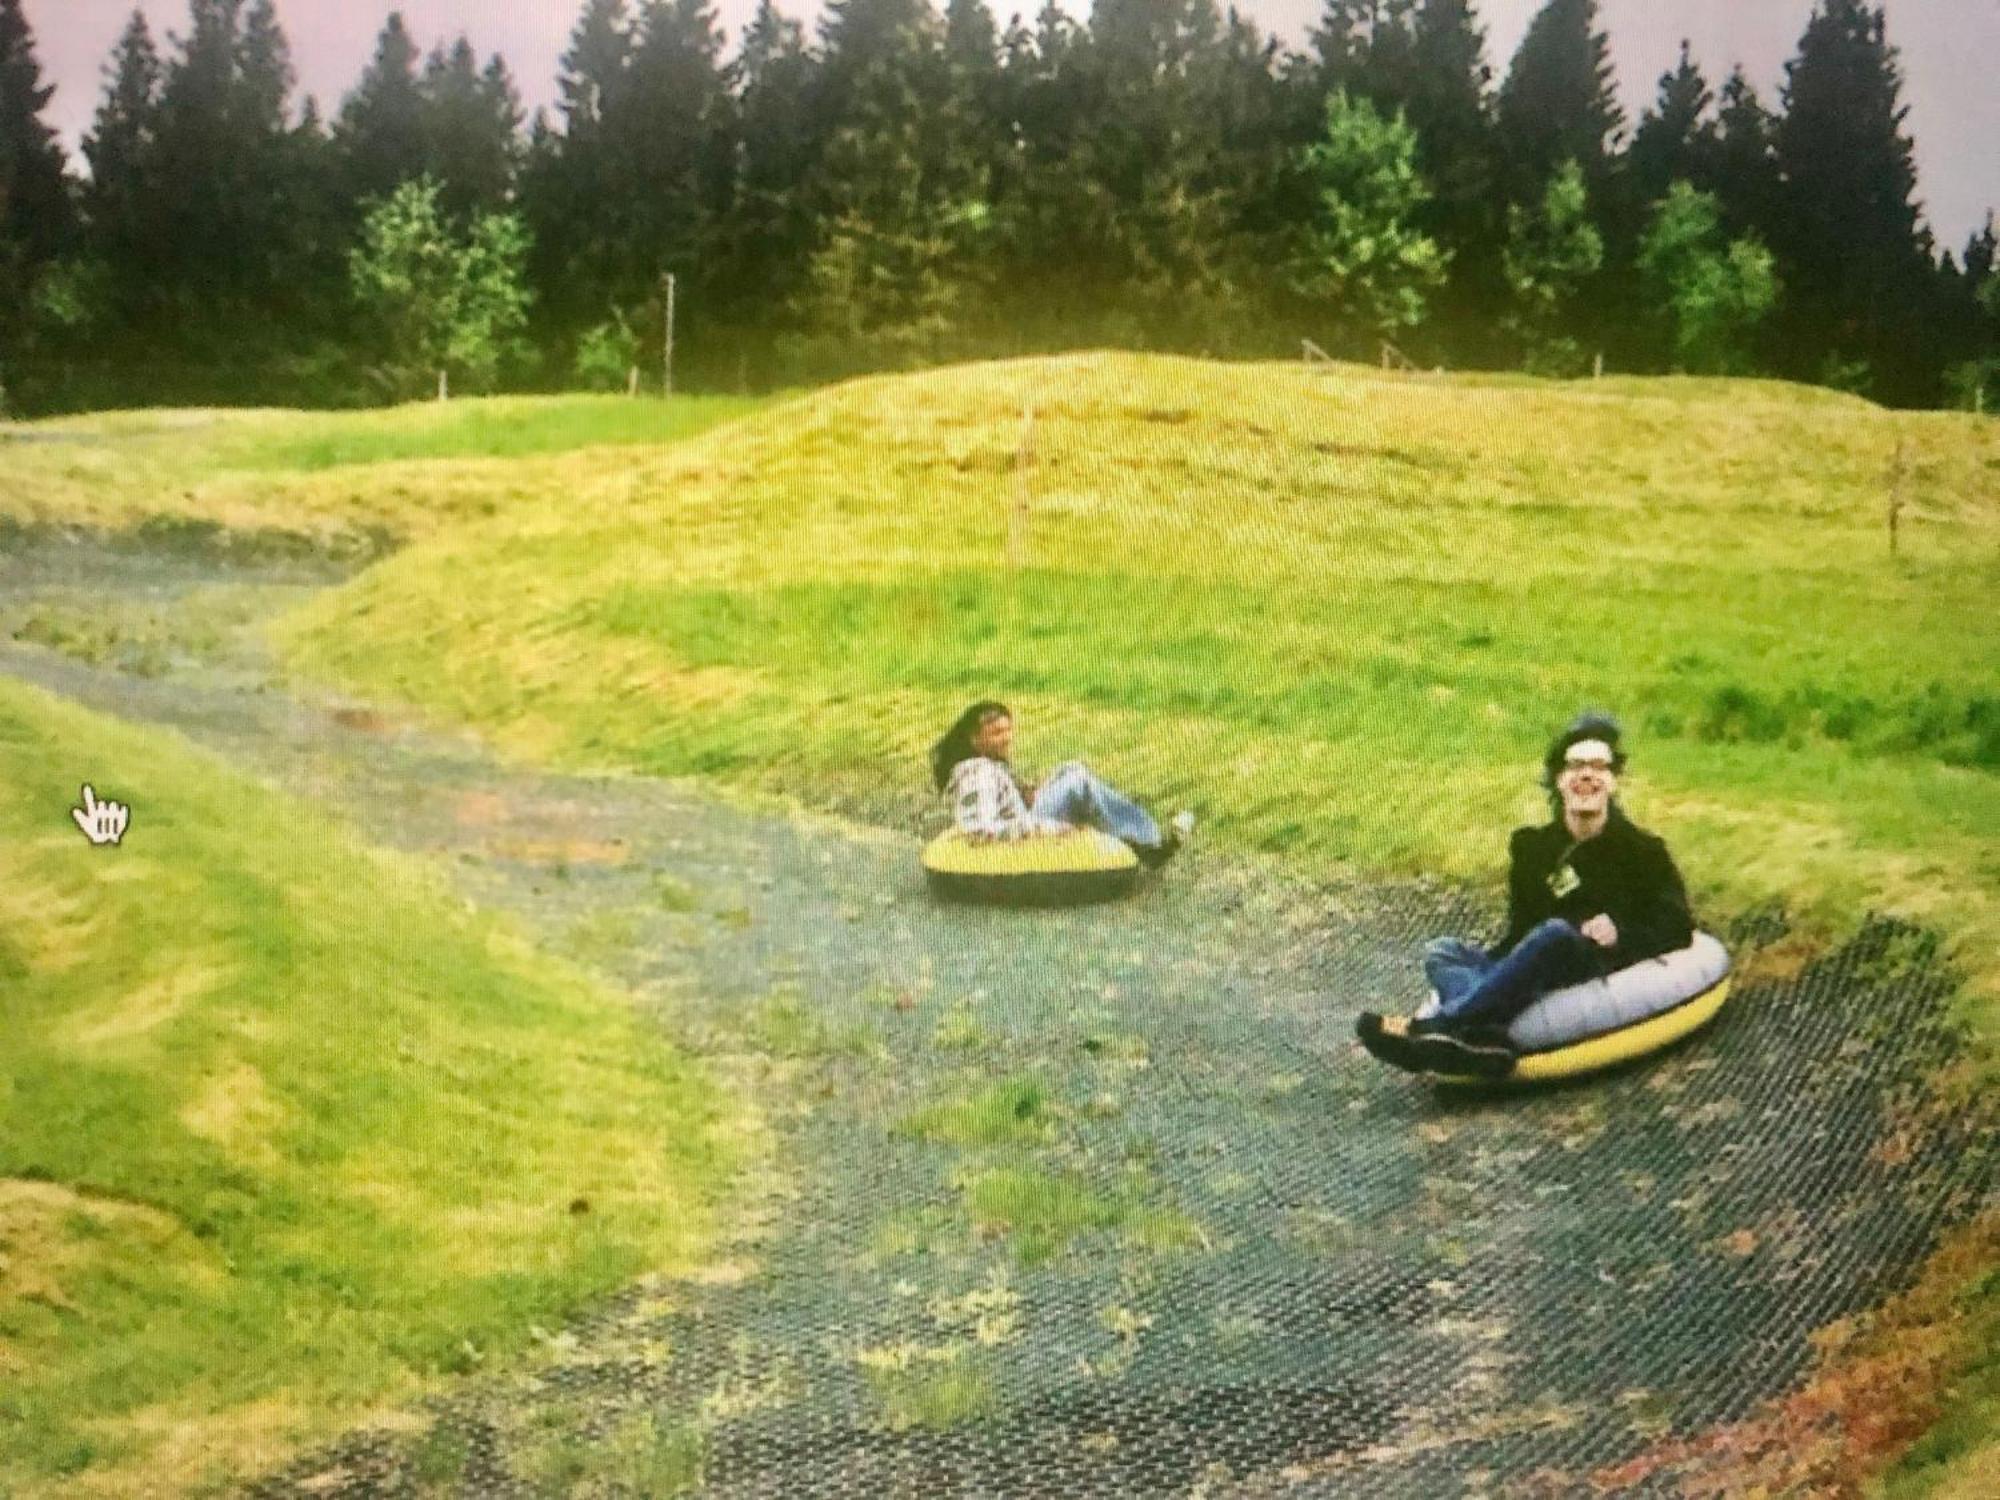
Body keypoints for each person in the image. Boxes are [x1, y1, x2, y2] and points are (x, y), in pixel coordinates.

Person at [1356, 711, 1694, 1077]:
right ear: (1559, 779)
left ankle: (1429, 1029)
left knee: (1556, 933)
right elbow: (1519, 931)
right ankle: (1482, 1038)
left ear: (1613, 781)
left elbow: (1679, 925)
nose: (1587, 775)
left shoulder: (1643, 851)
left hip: (1586, 960)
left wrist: (1620, 933)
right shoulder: (1532, 847)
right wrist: (1490, 967)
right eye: (1576, 765)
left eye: (1599, 766)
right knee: (1443, 952)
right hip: (1533, 960)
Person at [929, 700, 1195, 868]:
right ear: (975, 739)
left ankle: (1132, 837)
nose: (1008, 738)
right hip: (1025, 828)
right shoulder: (977, 774)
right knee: (1078, 784)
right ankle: (1149, 845)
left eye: (1009, 730)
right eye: (997, 733)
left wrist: (1032, 792)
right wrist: (1048, 827)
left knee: (1071, 769)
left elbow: (1005, 799)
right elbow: (980, 830)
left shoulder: (988, 765)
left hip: (1023, 815)